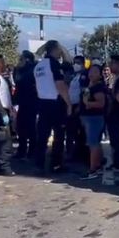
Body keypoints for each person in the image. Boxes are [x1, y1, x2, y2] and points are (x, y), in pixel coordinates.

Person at [33, 40, 73, 174]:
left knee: (42, 136)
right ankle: (56, 164)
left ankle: (38, 163)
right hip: (55, 103)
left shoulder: (38, 66)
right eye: (59, 49)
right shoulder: (54, 64)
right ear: (54, 49)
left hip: (42, 102)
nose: (61, 52)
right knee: (59, 135)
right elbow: (60, 85)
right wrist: (68, 103)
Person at [81, 65, 108, 179]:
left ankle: (93, 169)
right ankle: (99, 165)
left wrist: (88, 104)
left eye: (95, 72)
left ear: (100, 74)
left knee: (93, 144)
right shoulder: (90, 86)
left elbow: (101, 103)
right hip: (88, 118)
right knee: (94, 142)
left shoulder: (98, 88)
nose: (92, 74)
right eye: (90, 71)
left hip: (94, 118)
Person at [13, 51, 38, 160]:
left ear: (27, 59)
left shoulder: (32, 70)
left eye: (21, 59)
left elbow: (23, 82)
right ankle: (21, 150)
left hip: (31, 102)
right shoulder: (20, 70)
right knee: (21, 127)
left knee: (31, 128)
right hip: (22, 102)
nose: (19, 61)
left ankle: (32, 152)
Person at [66, 56, 88, 164]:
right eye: (75, 63)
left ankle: (80, 154)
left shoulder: (84, 76)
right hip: (72, 105)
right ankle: (73, 153)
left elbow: (84, 92)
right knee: (72, 131)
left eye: (78, 63)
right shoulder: (74, 76)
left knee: (80, 132)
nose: (76, 65)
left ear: (83, 64)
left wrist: (80, 106)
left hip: (79, 106)